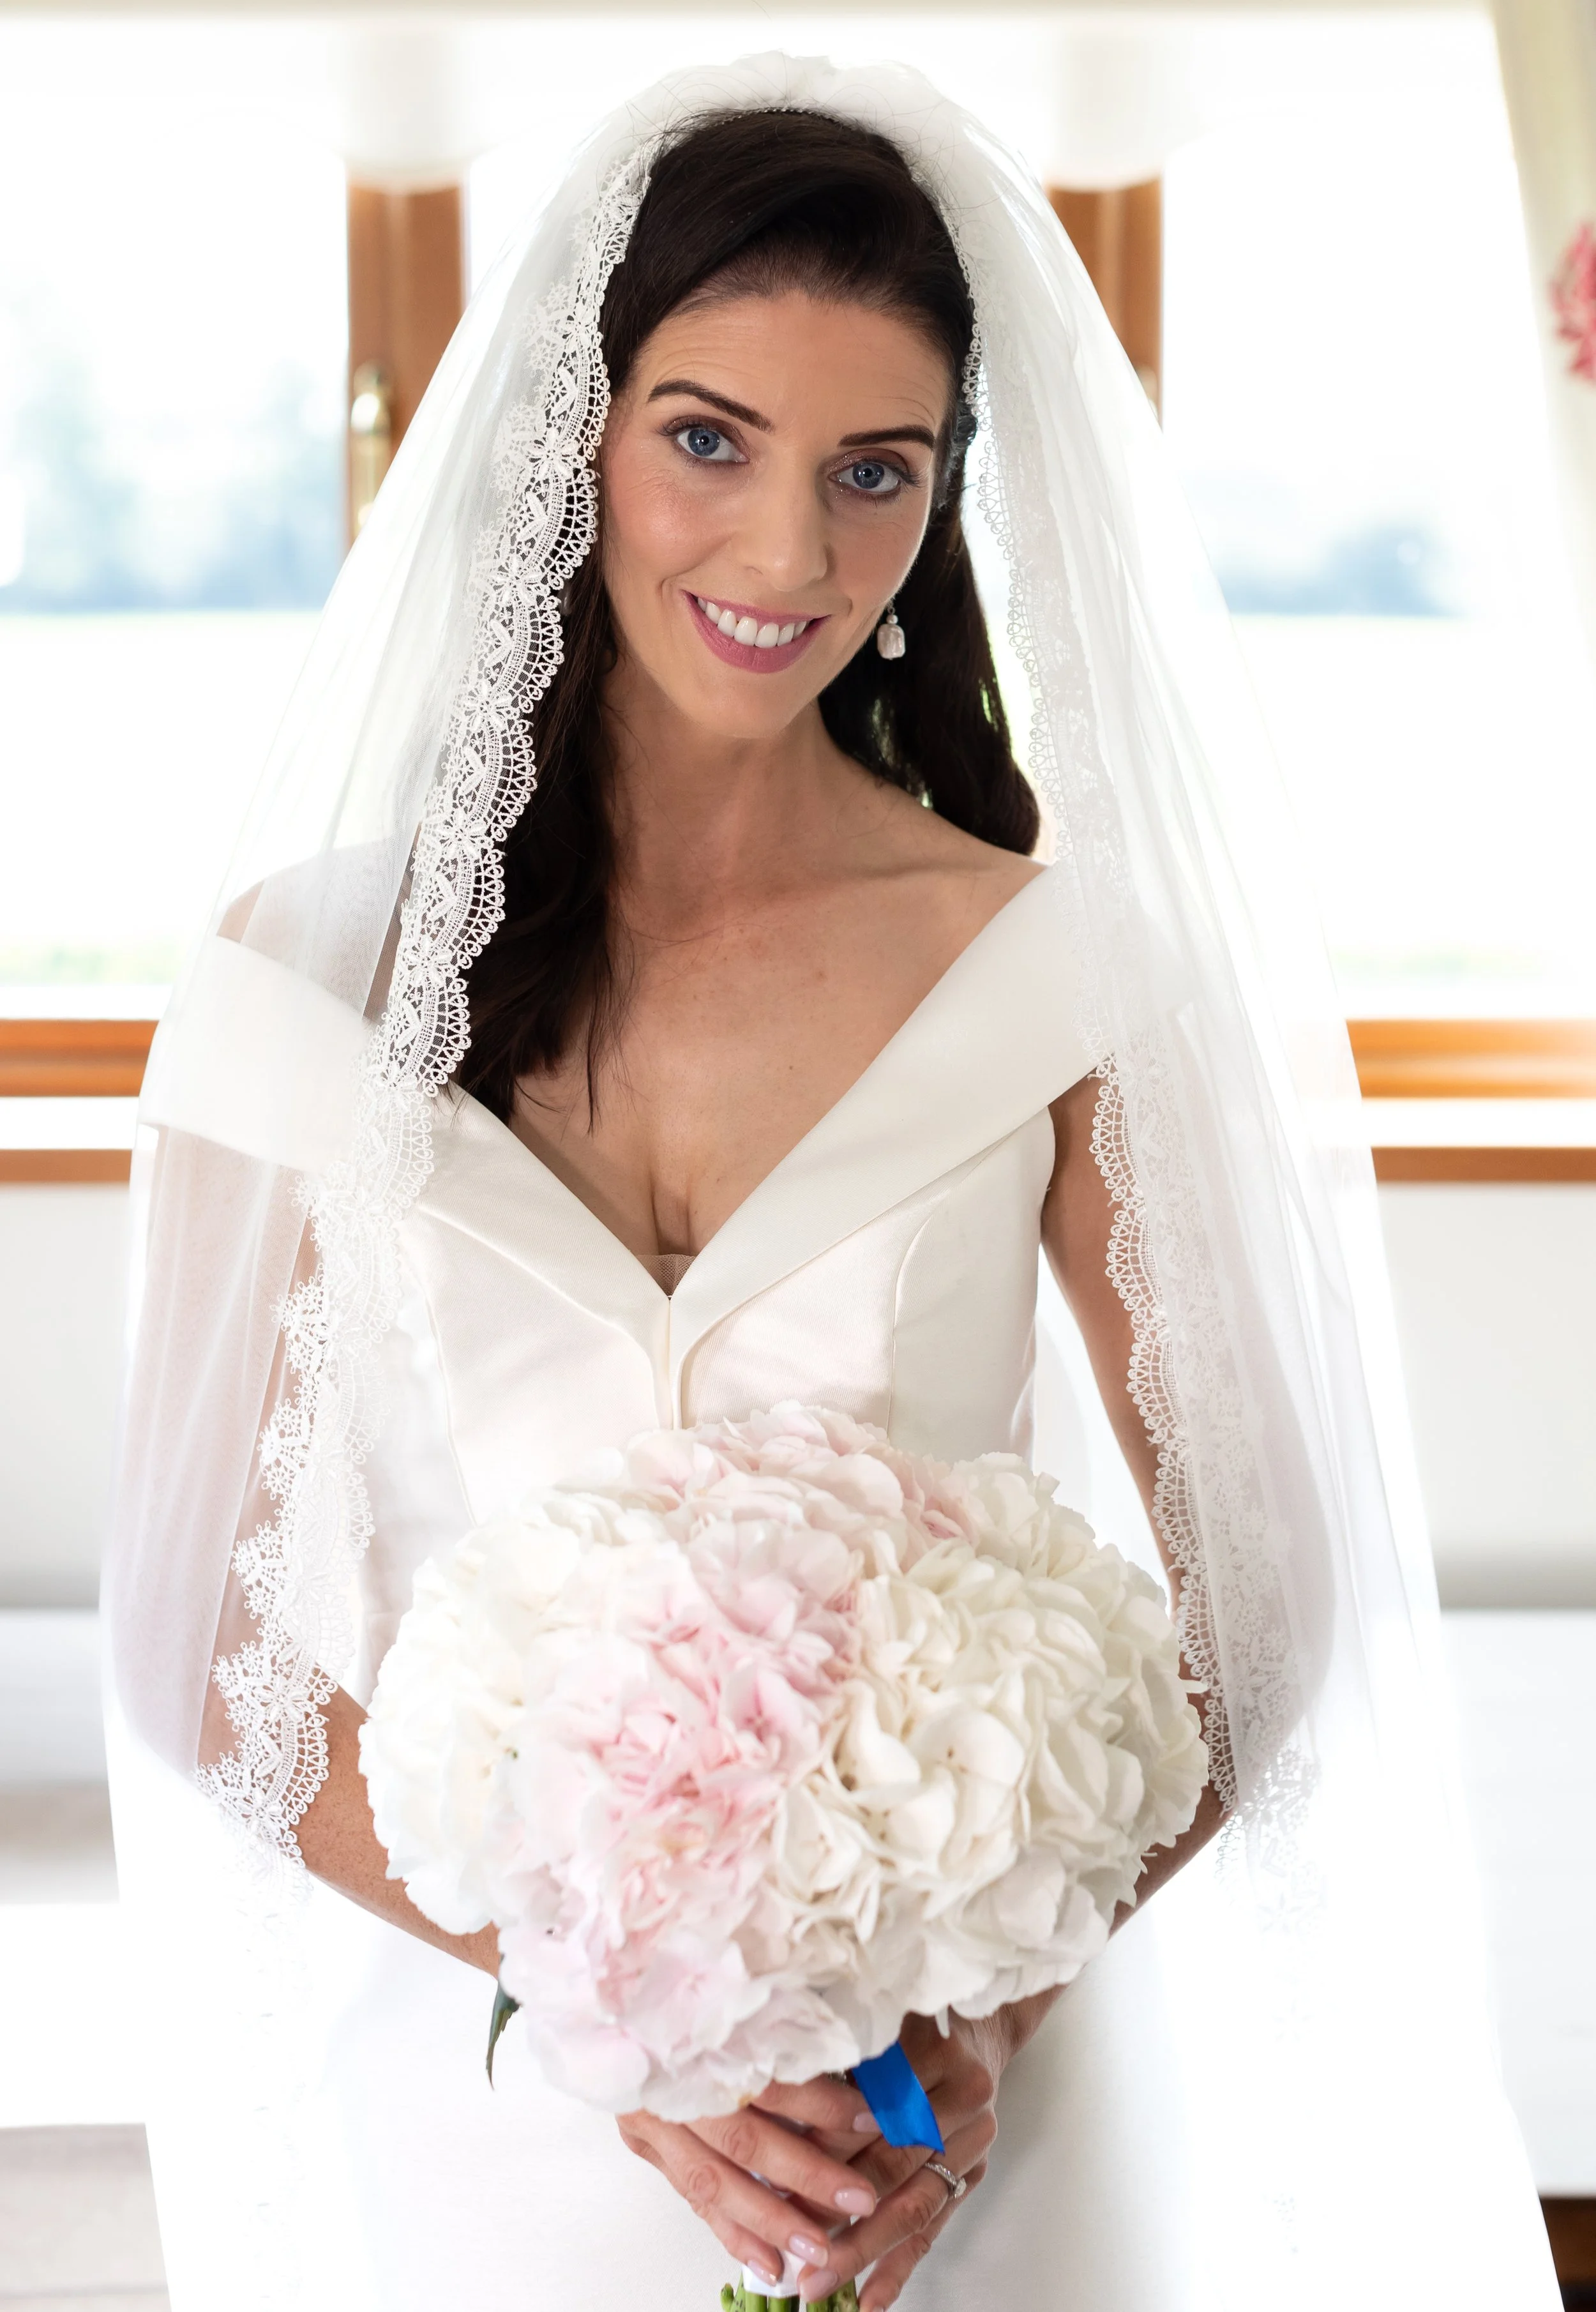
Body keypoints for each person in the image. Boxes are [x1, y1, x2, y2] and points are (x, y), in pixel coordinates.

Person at [105, 55, 1559, 2312]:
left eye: (872, 471)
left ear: (940, 505)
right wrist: (622, 2026)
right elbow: (188, 1633)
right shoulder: (301, 982)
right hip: (471, 2108)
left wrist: (985, 2015)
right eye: (709, 438)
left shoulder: (1056, 969)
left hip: (933, 2138)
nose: (787, 554)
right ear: (571, 444)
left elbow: (1265, 1589)